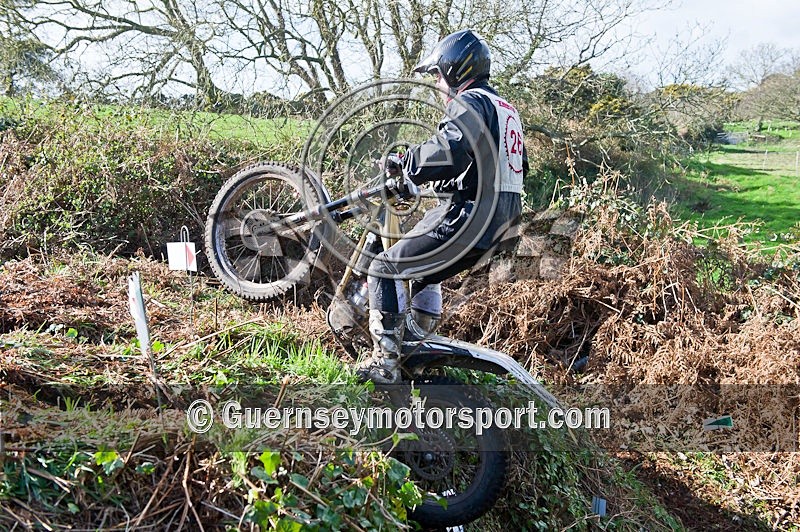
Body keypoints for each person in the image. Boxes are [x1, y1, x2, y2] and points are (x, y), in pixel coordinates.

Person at [355, 29, 527, 384]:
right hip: (504, 224)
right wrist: (437, 183)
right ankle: (416, 341)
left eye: (437, 74)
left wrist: (408, 163)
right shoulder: (504, 109)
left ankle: (385, 362)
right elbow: (492, 164)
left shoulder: (471, 101)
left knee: (385, 268)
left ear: (453, 69)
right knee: (419, 270)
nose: (437, 82)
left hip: (469, 215)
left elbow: (450, 149)